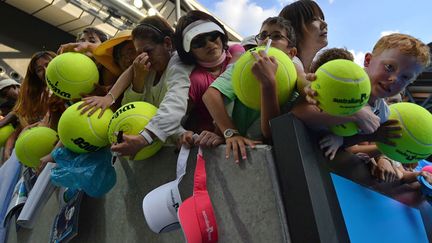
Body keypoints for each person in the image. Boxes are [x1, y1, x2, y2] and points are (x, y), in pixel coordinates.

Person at [79, 16, 194, 160]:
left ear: (167, 43)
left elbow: (173, 106)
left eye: (149, 50)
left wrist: (143, 139)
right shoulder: (146, 68)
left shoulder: (178, 64)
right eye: (138, 53)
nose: (143, 57)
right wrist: (118, 92)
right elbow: (130, 109)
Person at [317, 33, 430, 161]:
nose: (394, 79)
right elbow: (302, 110)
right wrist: (356, 112)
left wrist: (340, 139)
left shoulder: (382, 113)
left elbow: (352, 140)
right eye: (389, 67)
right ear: (368, 60)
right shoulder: (343, 80)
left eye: (405, 77)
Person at [203, 16, 298, 163]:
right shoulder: (244, 65)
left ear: (291, 52)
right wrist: (230, 133)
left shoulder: (295, 83)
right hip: (232, 152)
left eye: (277, 36)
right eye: (263, 35)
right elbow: (211, 95)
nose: (267, 40)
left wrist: (268, 85)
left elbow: (269, 132)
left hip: (265, 161)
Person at [173, 10, 243, 147]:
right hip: (213, 147)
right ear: (187, 50)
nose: (209, 44)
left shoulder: (237, 51)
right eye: (198, 42)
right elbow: (176, 120)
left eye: (213, 35)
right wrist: (183, 134)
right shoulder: (195, 80)